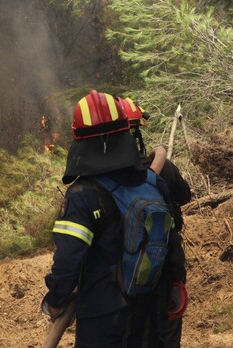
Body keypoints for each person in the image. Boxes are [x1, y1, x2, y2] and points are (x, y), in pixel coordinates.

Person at [42, 90, 186, 347]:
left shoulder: (82, 195)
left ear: (79, 140)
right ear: (124, 133)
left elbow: (68, 259)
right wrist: (177, 283)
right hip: (151, 308)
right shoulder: (152, 182)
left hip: (104, 316)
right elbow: (171, 241)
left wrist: (55, 300)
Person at [117, 96, 191, 348]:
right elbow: (185, 195)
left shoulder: (103, 182)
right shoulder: (163, 168)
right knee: (166, 336)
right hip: (166, 272)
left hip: (120, 282)